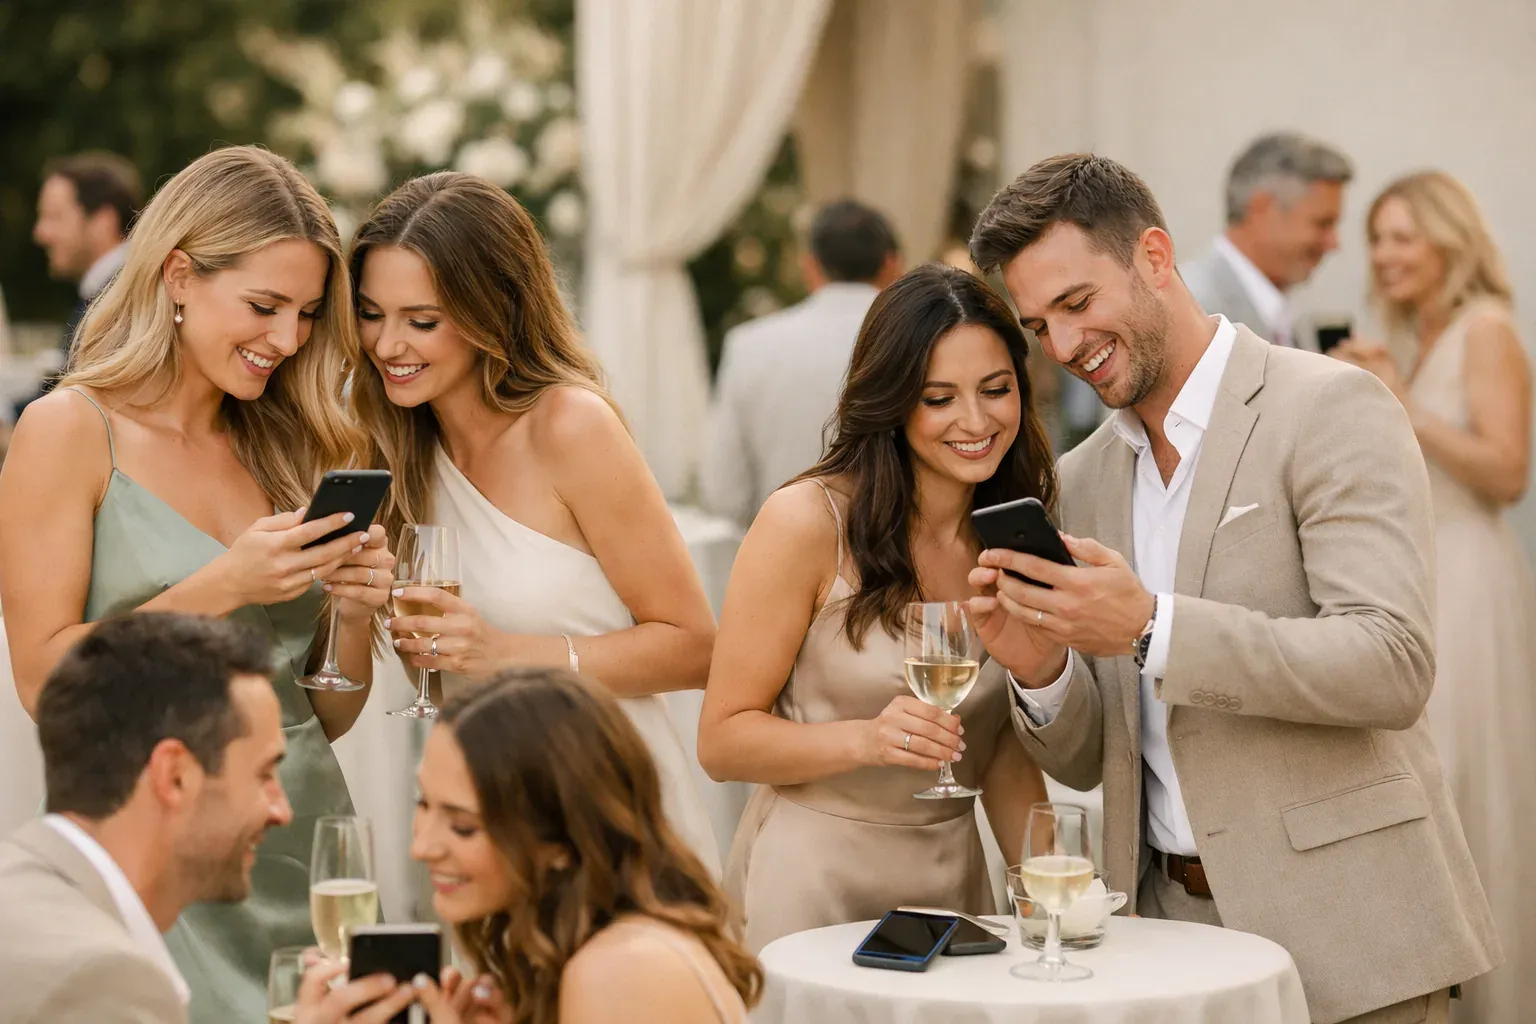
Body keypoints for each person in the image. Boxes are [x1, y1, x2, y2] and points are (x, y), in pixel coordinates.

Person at [965, 153, 1498, 1024]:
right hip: (1162, 940)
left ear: (1155, 257)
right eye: (1038, 326)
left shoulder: (1330, 406)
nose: (1061, 347)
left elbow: (1392, 664)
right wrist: (1041, 671)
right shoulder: (1083, 479)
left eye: (1077, 303)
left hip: (1351, 936)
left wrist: (1152, 627)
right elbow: (1088, 759)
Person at [0, 145, 395, 1022]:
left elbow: (318, 716)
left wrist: (353, 614)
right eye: (263, 306)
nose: (287, 340)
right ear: (178, 275)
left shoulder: (286, 443)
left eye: (306, 314)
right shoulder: (70, 431)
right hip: (162, 858)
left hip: (302, 845)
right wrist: (226, 583)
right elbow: (42, 681)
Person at [350, 172, 720, 874]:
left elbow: (696, 648)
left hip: (602, 807)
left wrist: (507, 653)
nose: (388, 344)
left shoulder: (569, 426)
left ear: (492, 311)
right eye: (371, 314)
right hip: (482, 815)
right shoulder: (394, 448)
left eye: (421, 321)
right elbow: (431, 667)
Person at [699, 263, 1053, 952]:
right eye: (939, 398)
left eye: (996, 389)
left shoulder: (1014, 532)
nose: (975, 421)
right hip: (813, 885)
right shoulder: (806, 522)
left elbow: (1002, 750)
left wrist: (1053, 903)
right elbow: (721, 742)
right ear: (892, 400)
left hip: (953, 886)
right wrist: (865, 741)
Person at [1332, 170, 1536, 1023]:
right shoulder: (1408, 334)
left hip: (1470, 583)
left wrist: (1402, 403)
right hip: (1412, 572)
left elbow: (1508, 472)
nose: (1383, 256)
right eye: (1376, 239)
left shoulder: (1487, 331)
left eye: (1402, 237)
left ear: (1449, 239)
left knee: (1464, 783)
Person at [304, 667, 758, 1022]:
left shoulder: (620, 970)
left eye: (462, 827)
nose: (421, 848)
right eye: (424, 804)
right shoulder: (570, 947)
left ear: (563, 841)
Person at [0, 613, 290, 1024]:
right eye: (264, 775)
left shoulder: (17, 887)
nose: (282, 811)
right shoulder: (103, 980)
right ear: (174, 776)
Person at [701, 200, 902, 527]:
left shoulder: (750, 345)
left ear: (810, 266)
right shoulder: (921, 338)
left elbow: (723, 492)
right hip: (899, 544)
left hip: (782, 541)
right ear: (892, 264)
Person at [1181, 132, 1353, 349]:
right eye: (1322, 224)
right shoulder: (1193, 307)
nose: (1333, 244)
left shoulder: (1286, 313)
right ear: (1262, 209)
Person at [19, 152, 143, 419]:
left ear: (103, 221)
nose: (40, 233)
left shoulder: (122, 302)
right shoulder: (108, 292)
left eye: (54, 217)